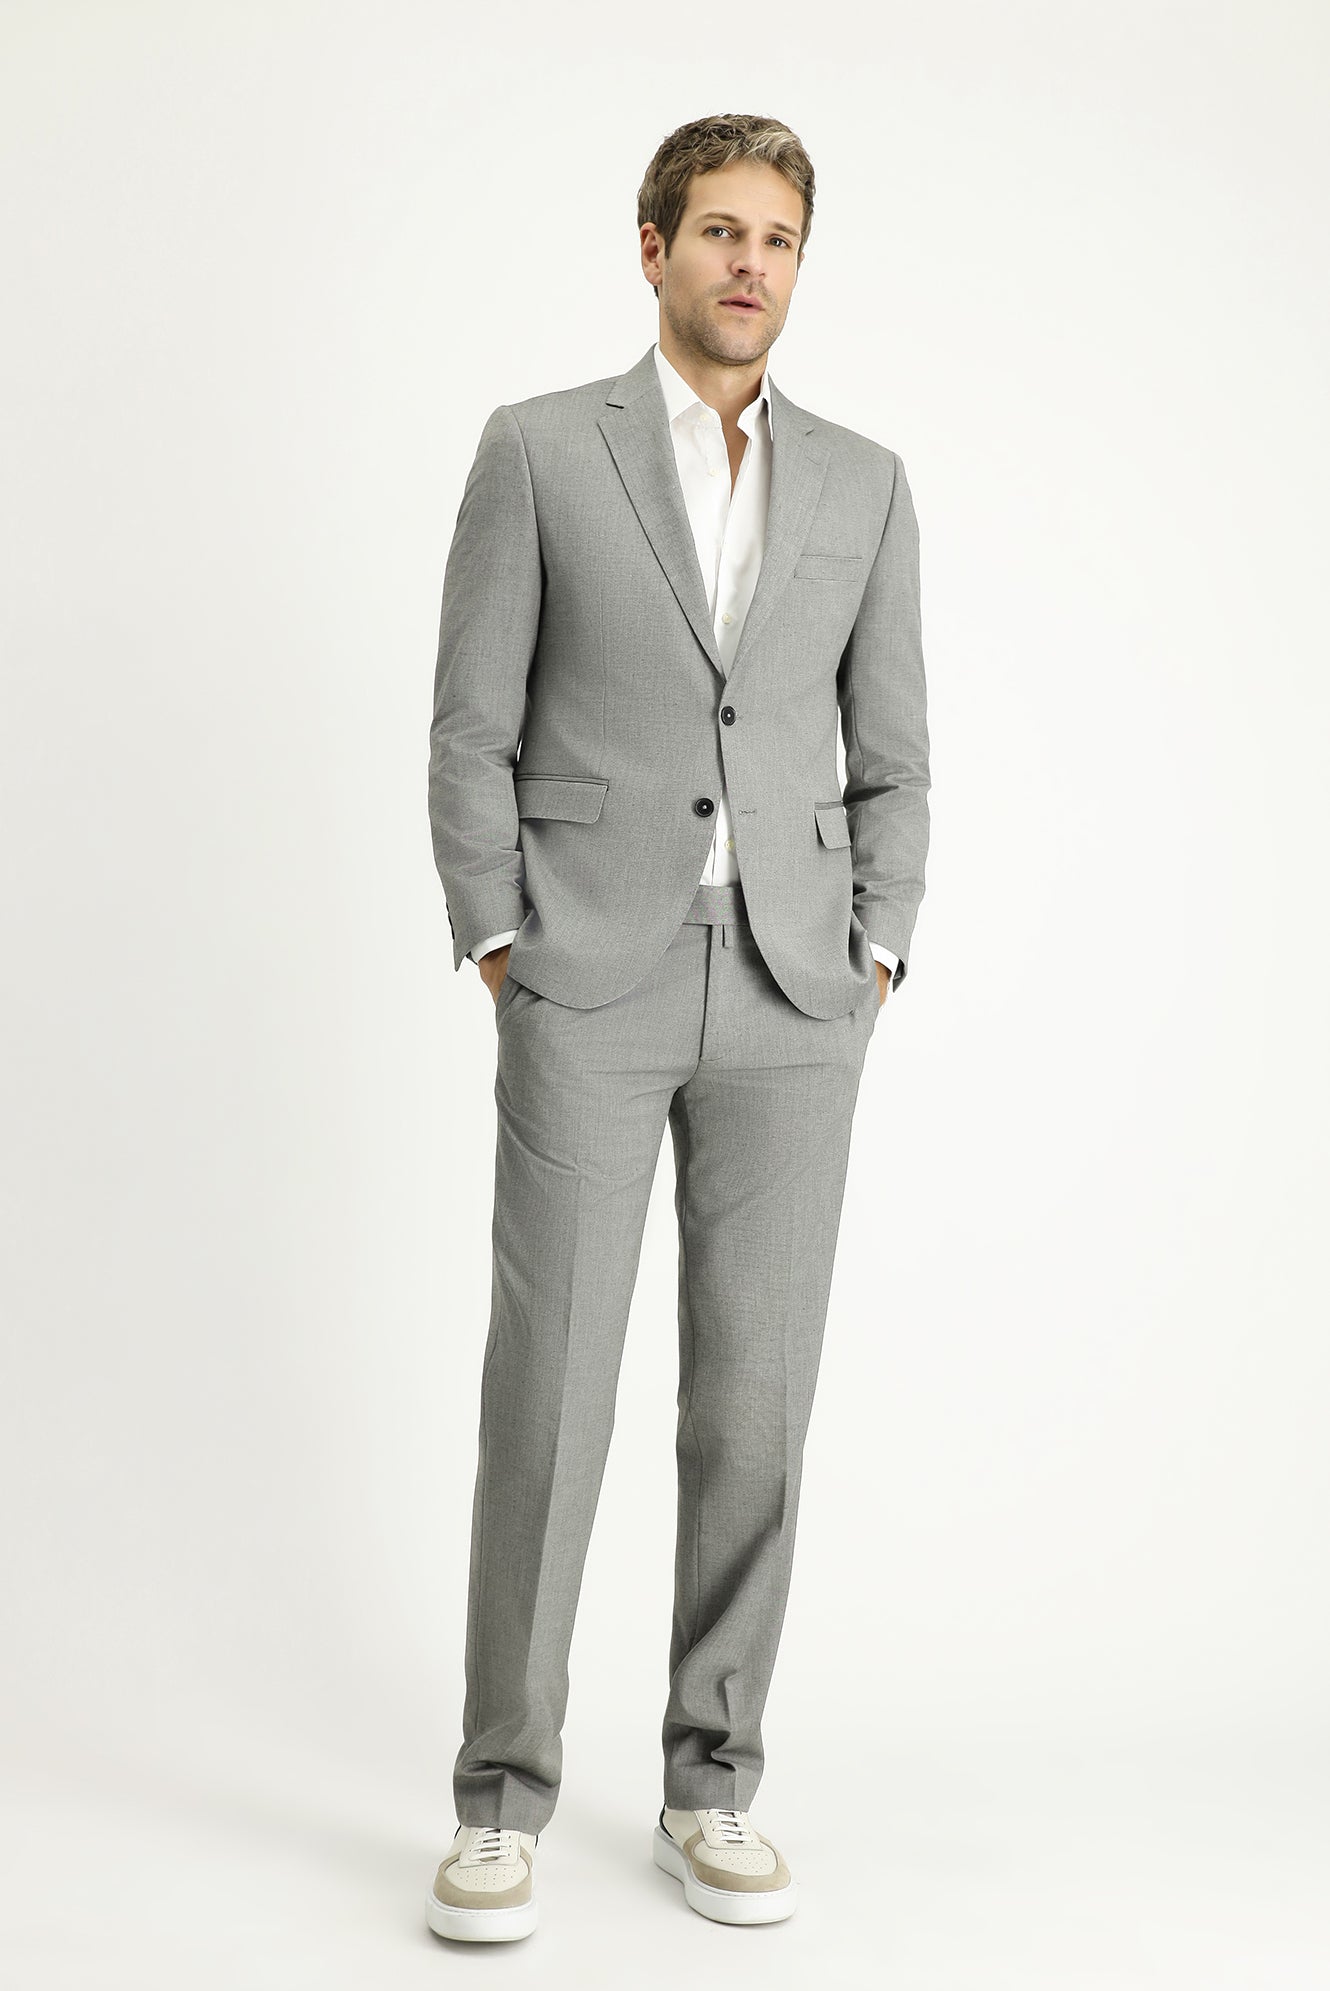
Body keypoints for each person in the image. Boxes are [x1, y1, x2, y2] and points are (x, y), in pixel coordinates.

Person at [424, 110, 930, 1942]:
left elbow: (894, 752)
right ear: (652, 249)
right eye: (718, 230)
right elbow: (469, 723)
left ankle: (711, 1784)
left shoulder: (864, 483)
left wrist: (877, 953)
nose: (747, 264)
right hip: (589, 976)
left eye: (775, 239)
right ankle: (500, 1801)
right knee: (548, 1394)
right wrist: (505, 939)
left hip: (796, 993)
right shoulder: (539, 449)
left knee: (753, 1408)